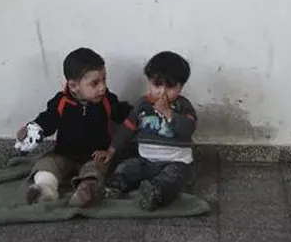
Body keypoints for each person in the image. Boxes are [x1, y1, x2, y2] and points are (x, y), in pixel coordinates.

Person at [17, 47, 132, 207]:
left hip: (95, 155)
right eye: (95, 83)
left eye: (104, 80)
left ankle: (86, 191)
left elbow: (124, 113)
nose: (102, 87)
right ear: (73, 86)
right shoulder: (61, 102)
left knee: (98, 169)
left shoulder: (107, 100)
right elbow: (47, 120)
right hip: (64, 153)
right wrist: (32, 129)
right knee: (45, 164)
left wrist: (141, 114)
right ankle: (45, 189)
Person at [103, 51, 196, 211]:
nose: (162, 92)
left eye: (170, 87)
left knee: (173, 179)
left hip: (176, 162)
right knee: (127, 167)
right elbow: (126, 129)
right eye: (157, 85)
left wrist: (169, 113)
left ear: (181, 87)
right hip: (145, 161)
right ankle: (114, 186)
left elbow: (187, 130)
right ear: (149, 82)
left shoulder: (183, 107)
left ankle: (154, 192)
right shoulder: (142, 105)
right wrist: (111, 151)